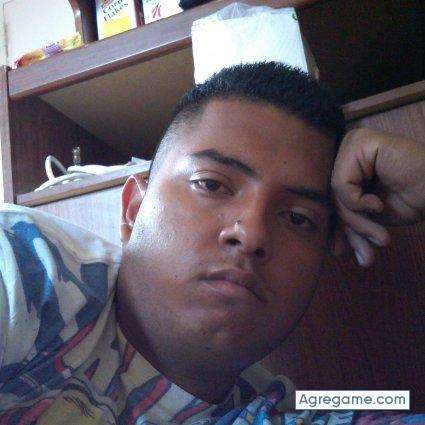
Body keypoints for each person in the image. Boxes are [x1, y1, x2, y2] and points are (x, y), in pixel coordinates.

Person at [0, 62, 424, 424]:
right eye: (211, 184)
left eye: (298, 218)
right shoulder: (25, 267)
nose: (251, 233)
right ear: (133, 209)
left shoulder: (285, 408)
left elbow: (392, 407)